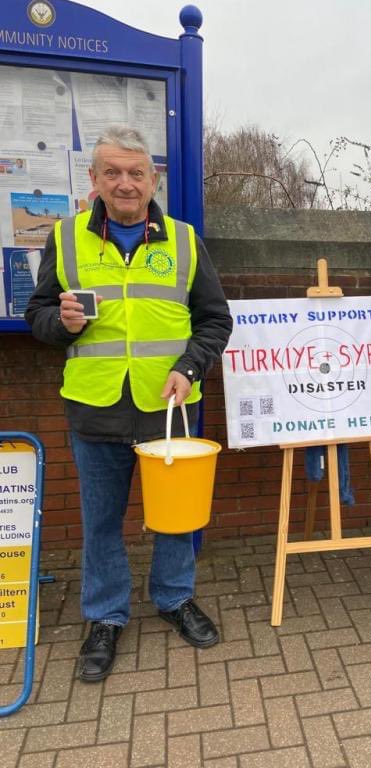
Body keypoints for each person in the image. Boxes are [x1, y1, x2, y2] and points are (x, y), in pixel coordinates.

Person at [26, 126, 233, 680]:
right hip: (95, 407)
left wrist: (189, 368)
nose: (124, 183)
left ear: (152, 179)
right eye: (112, 172)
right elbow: (39, 316)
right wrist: (61, 323)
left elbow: (216, 320)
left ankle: (173, 598)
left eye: (135, 173)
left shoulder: (185, 241)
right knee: (100, 522)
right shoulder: (65, 239)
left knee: (176, 519)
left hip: (168, 406)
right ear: (92, 180)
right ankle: (105, 618)